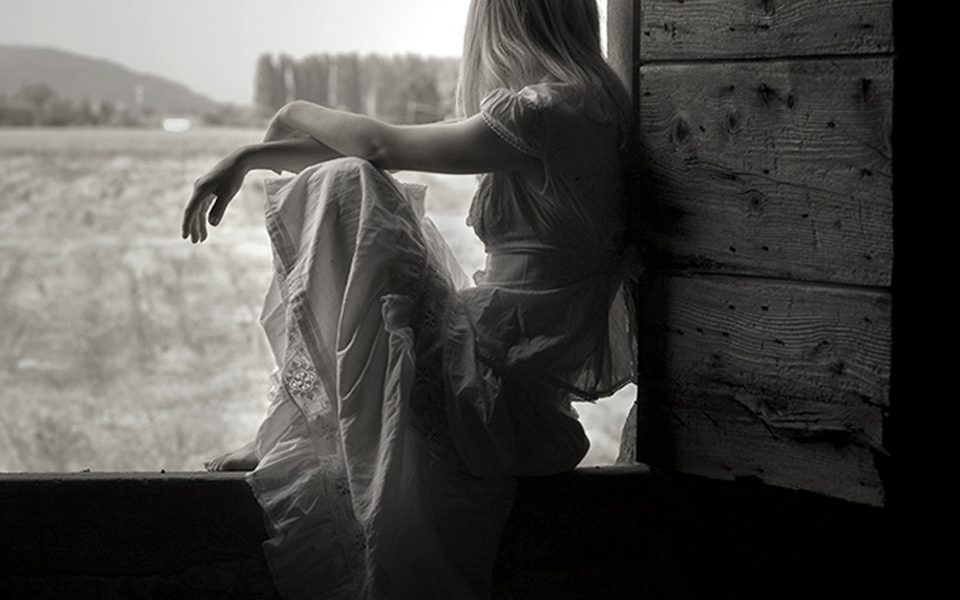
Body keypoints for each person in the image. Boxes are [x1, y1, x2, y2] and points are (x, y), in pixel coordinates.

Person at [181, 1, 639, 598]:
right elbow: (370, 149)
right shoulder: (593, 111)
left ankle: (299, 426)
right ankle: (298, 424)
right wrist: (254, 158)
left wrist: (289, 113)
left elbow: (375, 149)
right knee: (352, 180)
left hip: (489, 394)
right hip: (524, 397)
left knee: (349, 187)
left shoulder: (541, 113)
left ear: (503, 23)